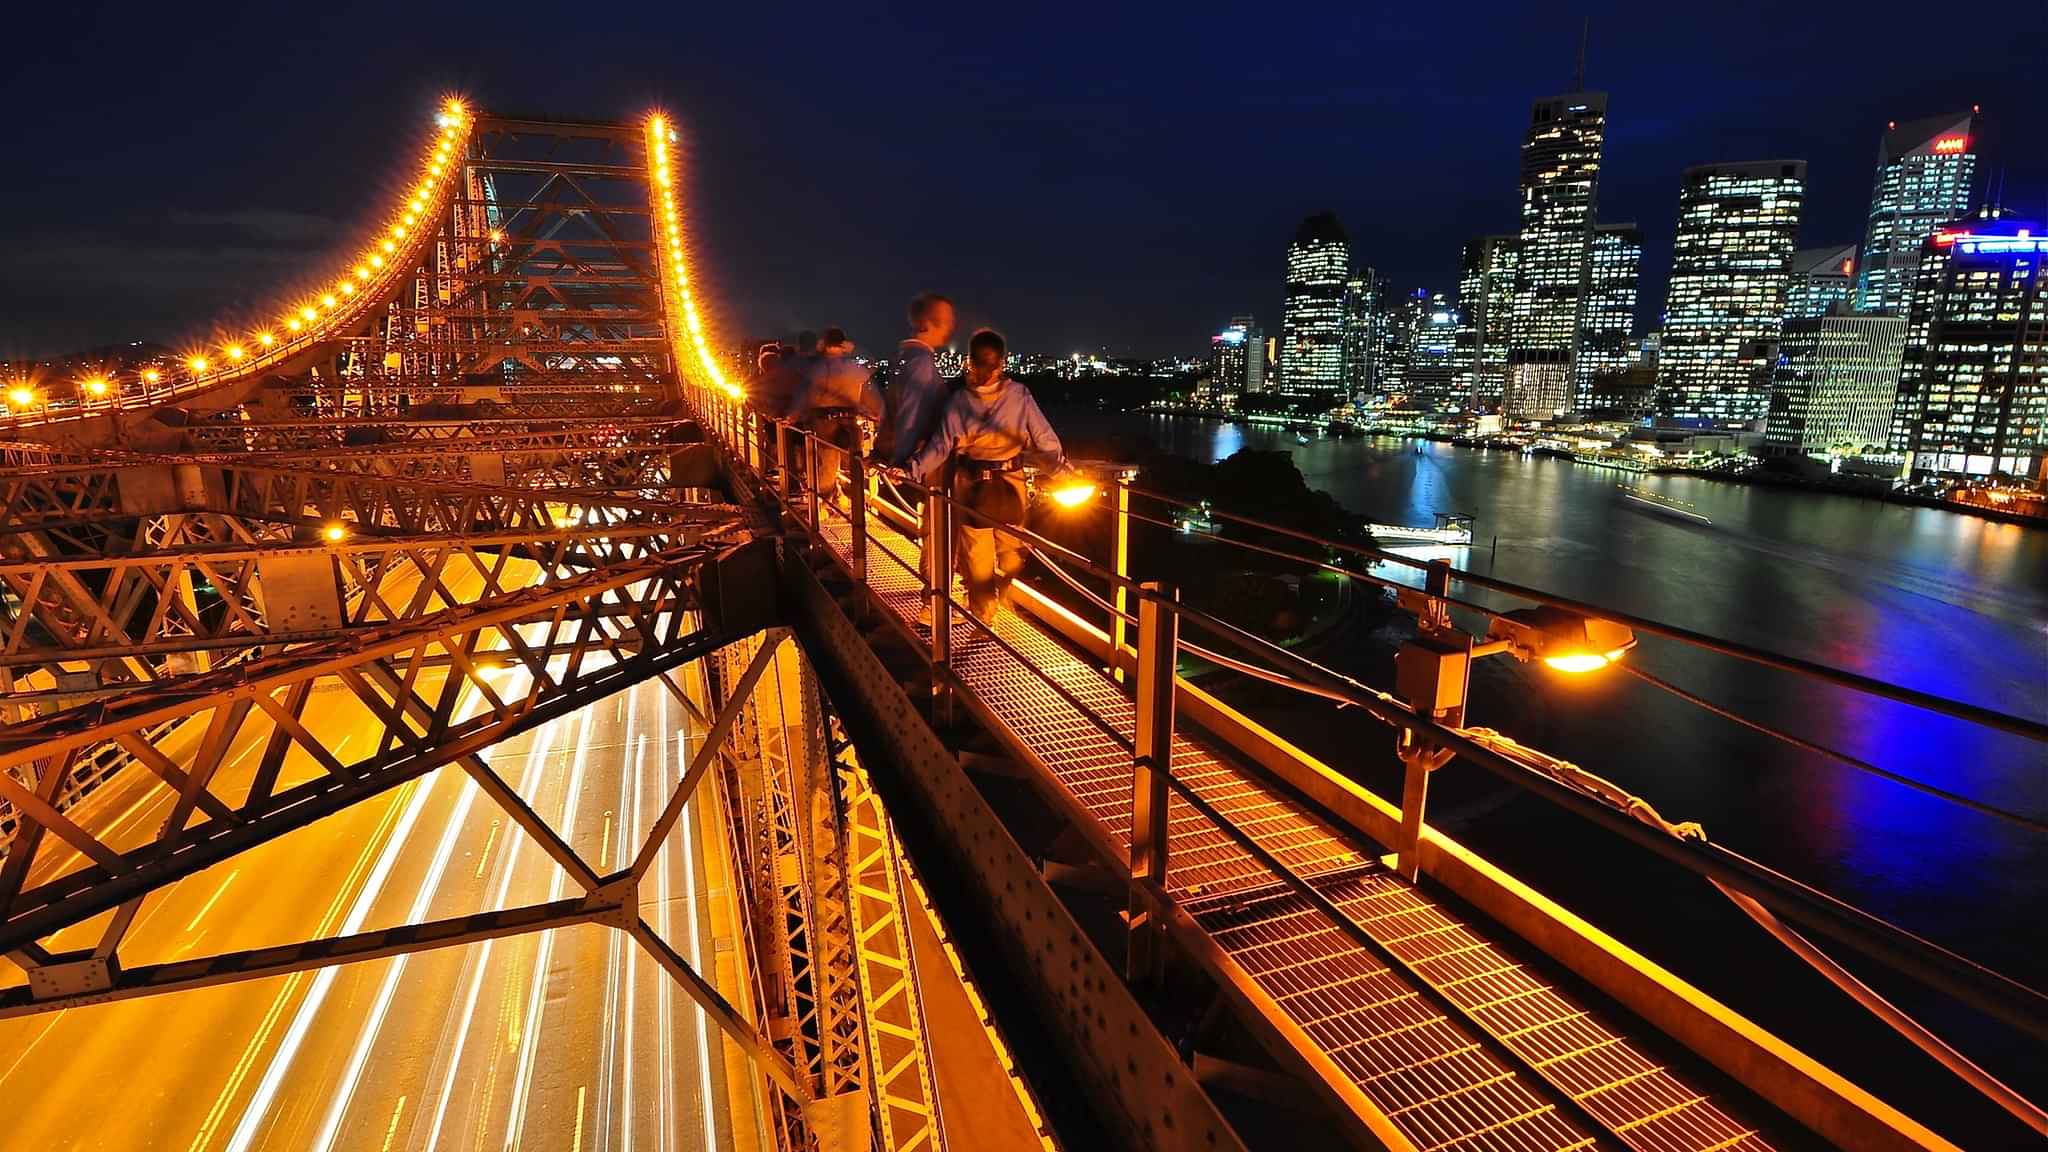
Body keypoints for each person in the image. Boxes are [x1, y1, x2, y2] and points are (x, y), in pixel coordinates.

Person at [909, 328, 1064, 623]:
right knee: (1012, 555)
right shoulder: (1019, 395)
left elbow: (940, 447)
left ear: (970, 362)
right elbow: (1045, 441)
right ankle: (998, 596)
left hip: (972, 487)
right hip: (1011, 484)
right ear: (1001, 364)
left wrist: (911, 468)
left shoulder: (959, 402)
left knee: (977, 562)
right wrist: (1064, 472)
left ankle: (984, 617)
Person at [792, 327, 881, 503]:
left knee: (825, 466)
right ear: (842, 345)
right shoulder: (853, 368)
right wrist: (875, 414)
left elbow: (803, 397)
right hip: (850, 423)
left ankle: (823, 505)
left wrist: (791, 416)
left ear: (824, 346)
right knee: (855, 465)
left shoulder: (815, 369)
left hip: (823, 423)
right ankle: (857, 507)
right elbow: (871, 389)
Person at [883, 293, 956, 468]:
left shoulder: (904, 357)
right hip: (916, 467)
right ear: (928, 324)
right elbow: (910, 416)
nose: (950, 328)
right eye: (945, 322)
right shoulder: (921, 363)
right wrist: (904, 466)